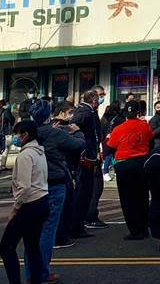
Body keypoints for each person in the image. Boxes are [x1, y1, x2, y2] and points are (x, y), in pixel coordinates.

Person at [28, 99, 84, 283]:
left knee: (33, 230)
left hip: (33, 183)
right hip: (53, 182)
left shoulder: (29, 132)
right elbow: (77, 145)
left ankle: (31, 271)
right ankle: (42, 272)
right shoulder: (53, 132)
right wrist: (78, 132)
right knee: (47, 229)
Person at [0, 120, 50, 284]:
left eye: (17, 134)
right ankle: (36, 279)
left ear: (25, 135)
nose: (15, 138)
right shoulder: (39, 152)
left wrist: (15, 208)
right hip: (42, 201)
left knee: (6, 247)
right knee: (32, 246)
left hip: (30, 204)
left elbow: (25, 186)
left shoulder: (25, 155)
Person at [105, 100, 153, 241]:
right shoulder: (144, 126)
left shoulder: (118, 129)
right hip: (142, 162)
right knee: (142, 197)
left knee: (128, 199)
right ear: (138, 112)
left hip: (124, 164)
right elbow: (150, 140)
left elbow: (111, 147)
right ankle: (144, 227)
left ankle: (135, 230)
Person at [69, 90, 105, 235]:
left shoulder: (89, 112)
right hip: (85, 159)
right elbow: (72, 127)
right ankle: (77, 226)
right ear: (94, 100)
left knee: (87, 191)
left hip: (90, 155)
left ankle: (79, 224)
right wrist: (83, 146)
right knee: (83, 192)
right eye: (99, 98)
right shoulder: (84, 113)